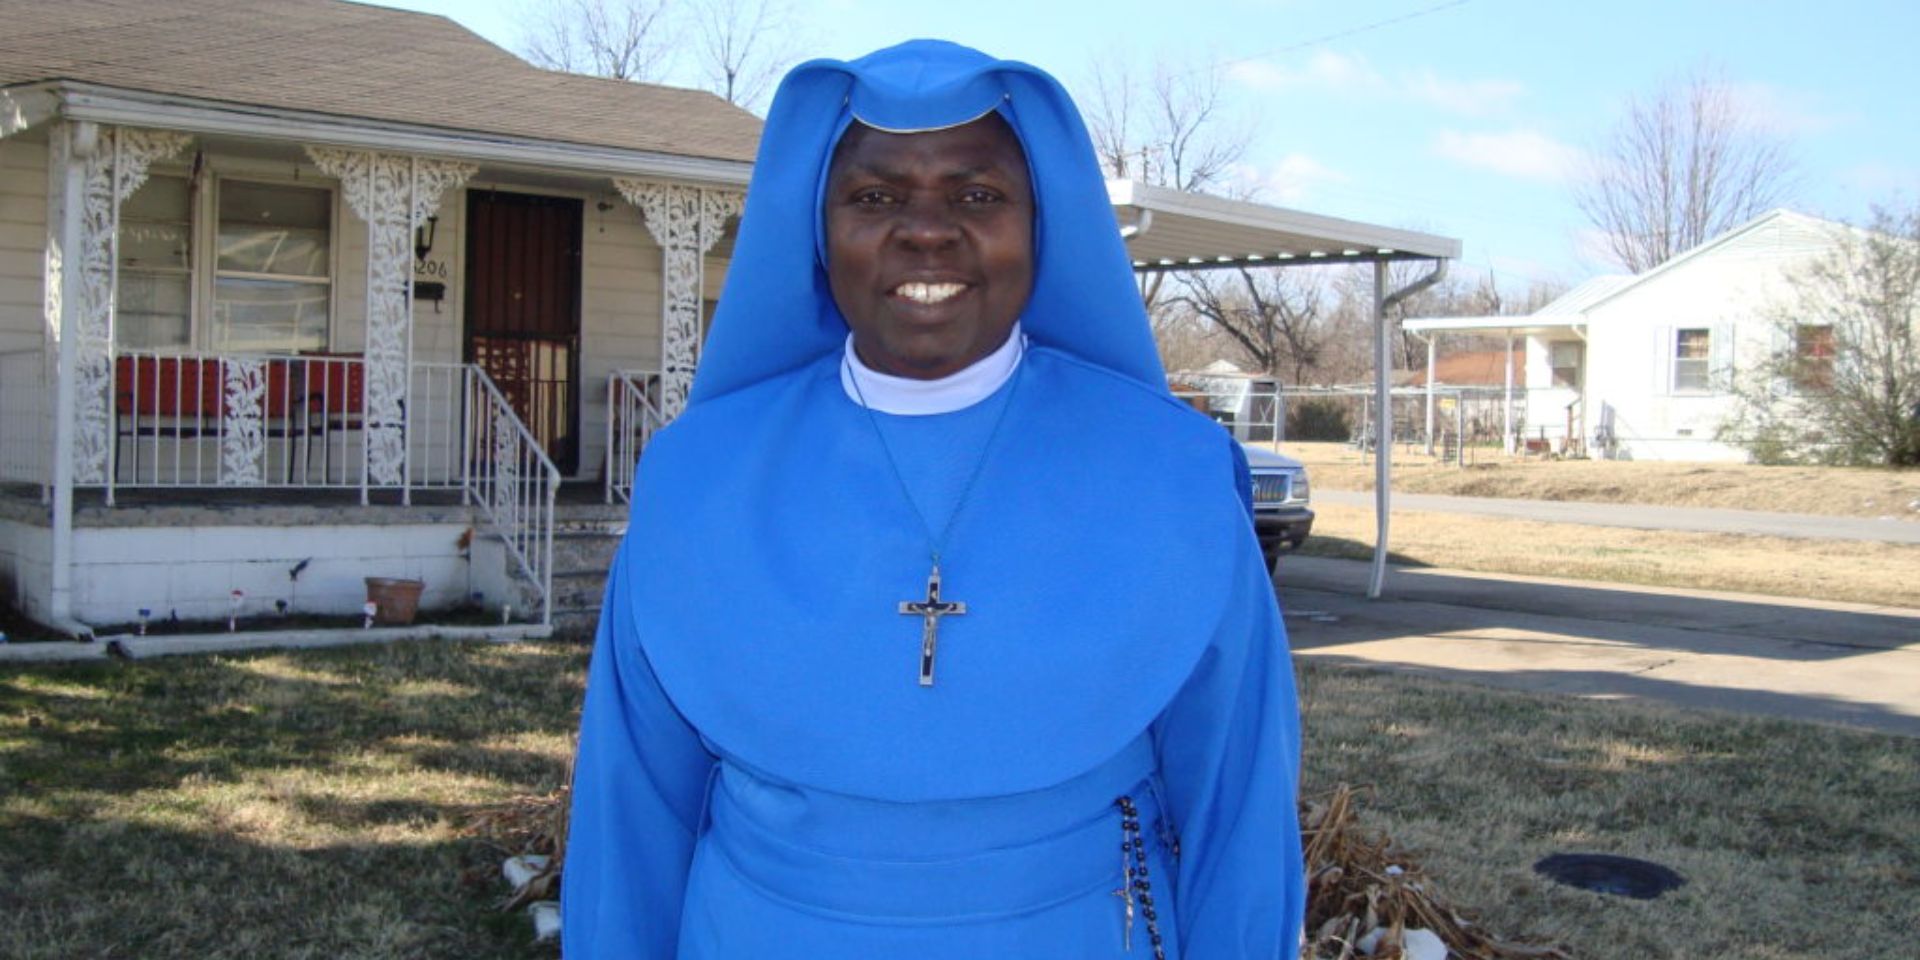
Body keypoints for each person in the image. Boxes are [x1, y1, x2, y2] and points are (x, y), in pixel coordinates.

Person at [563, 39, 1304, 958]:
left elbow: (1242, 812)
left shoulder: (1177, 475)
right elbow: (628, 816)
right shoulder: (695, 478)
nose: (925, 231)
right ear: (816, 227)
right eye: (875, 197)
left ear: (1042, 225)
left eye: (977, 195)